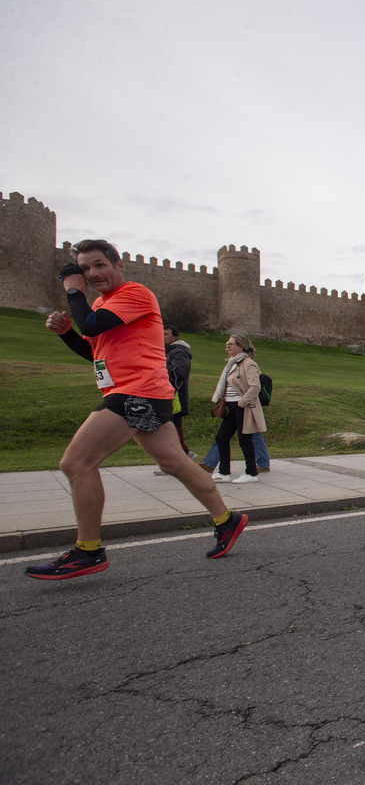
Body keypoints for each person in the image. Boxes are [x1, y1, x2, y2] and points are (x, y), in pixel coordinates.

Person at [26, 240, 248, 579]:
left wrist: (73, 292)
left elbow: (91, 325)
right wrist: (66, 332)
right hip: (144, 392)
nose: (92, 273)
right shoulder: (102, 304)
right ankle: (226, 519)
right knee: (174, 462)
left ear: (119, 265)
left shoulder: (135, 294)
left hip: (137, 391)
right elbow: (94, 351)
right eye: (85, 268)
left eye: (99, 265)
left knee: (76, 463)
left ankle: (88, 551)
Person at [211, 334, 267, 483]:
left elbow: (255, 386)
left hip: (243, 407)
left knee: (245, 440)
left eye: (230, 344)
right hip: (230, 407)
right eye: (227, 344)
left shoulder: (248, 364)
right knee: (221, 437)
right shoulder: (232, 363)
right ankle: (224, 472)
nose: (227, 347)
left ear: (240, 347)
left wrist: (242, 402)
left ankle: (251, 473)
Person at [152, 324, 197, 474]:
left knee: (171, 429)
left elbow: (179, 372)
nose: (162, 336)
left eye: (165, 334)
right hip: (168, 396)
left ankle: (180, 460)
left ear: (175, 337)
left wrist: (165, 383)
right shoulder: (168, 352)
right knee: (170, 429)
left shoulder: (178, 351)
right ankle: (184, 455)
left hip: (173, 397)